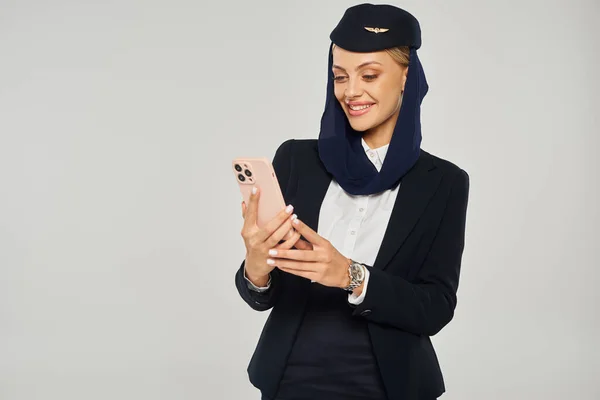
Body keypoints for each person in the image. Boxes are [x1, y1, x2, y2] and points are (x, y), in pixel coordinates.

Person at [234, 4, 470, 400]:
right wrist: (256, 268)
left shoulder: (444, 182)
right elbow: (261, 294)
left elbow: (436, 307)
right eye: (340, 77)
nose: (351, 92)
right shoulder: (296, 159)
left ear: (406, 78)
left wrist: (351, 275)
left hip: (389, 383)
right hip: (290, 376)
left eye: (370, 75)